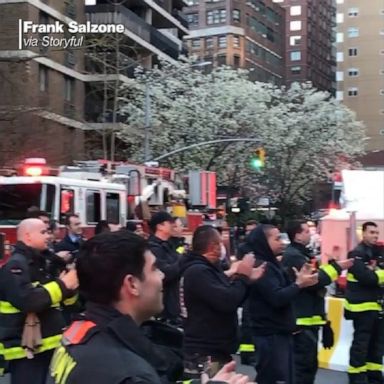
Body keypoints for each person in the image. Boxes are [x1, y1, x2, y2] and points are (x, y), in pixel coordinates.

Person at [47, 230, 253, 384]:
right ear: (132, 284)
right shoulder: (127, 371)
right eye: (155, 268)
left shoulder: (81, 334)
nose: (162, 276)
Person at [181, 225, 265, 379]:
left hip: (216, 350)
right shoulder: (198, 272)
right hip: (206, 352)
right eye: (220, 243)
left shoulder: (210, 271)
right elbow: (227, 301)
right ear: (213, 247)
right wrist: (243, 276)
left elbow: (233, 296)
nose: (223, 248)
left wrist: (246, 281)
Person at [0, 218, 78, 384]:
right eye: (43, 232)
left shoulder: (43, 262)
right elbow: (27, 300)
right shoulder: (16, 265)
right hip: (25, 351)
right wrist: (63, 285)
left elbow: (61, 302)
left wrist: (70, 289)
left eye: (49, 231)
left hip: (46, 346)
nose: (48, 236)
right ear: (27, 237)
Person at [282, 220, 354, 384]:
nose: (310, 234)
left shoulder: (304, 255)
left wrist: (325, 321)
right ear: (298, 235)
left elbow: (317, 291)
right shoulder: (294, 256)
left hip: (310, 324)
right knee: (302, 371)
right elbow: (316, 281)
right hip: (301, 326)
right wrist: (337, 267)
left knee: (308, 368)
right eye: (307, 231)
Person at [244, 224, 319, 384]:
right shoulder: (262, 266)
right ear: (264, 241)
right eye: (277, 238)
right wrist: (298, 284)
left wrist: (297, 283)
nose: (282, 242)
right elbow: (277, 297)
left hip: (279, 333)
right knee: (273, 378)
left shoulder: (273, 264)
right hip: (270, 335)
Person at [345, 221, 384, 384]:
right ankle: (356, 378)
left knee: (376, 347)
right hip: (361, 309)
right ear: (364, 233)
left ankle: (374, 378)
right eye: (372, 232)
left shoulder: (377, 253)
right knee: (361, 346)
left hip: (376, 307)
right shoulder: (356, 254)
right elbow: (367, 278)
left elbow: (375, 276)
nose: (375, 236)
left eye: (377, 233)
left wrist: (377, 274)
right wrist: (379, 275)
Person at [148, 211, 181, 325]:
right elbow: (165, 274)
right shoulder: (153, 249)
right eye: (170, 222)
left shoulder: (169, 245)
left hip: (173, 307)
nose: (173, 225)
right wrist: (185, 260)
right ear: (159, 226)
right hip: (162, 311)